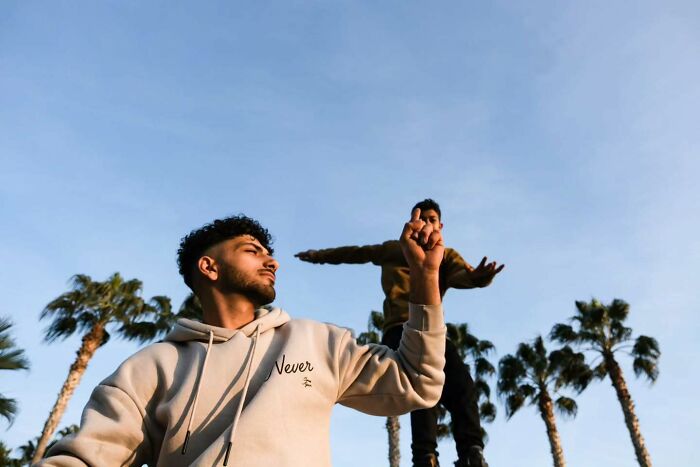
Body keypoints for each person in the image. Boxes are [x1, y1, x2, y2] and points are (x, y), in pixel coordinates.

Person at [39, 211, 447, 466]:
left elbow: (417, 381)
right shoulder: (149, 368)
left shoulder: (317, 342)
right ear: (209, 267)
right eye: (252, 250)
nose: (271, 260)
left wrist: (426, 277)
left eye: (268, 252)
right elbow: (88, 458)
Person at [296, 199, 504, 467]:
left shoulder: (445, 255)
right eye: (423, 218)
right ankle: (425, 456)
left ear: (440, 225)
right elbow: (354, 253)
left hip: (431, 331)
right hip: (398, 329)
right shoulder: (393, 250)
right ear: (412, 221)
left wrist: (479, 278)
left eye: (432, 220)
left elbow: (463, 275)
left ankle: (471, 451)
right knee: (422, 390)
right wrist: (318, 256)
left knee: (462, 384)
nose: (427, 224)